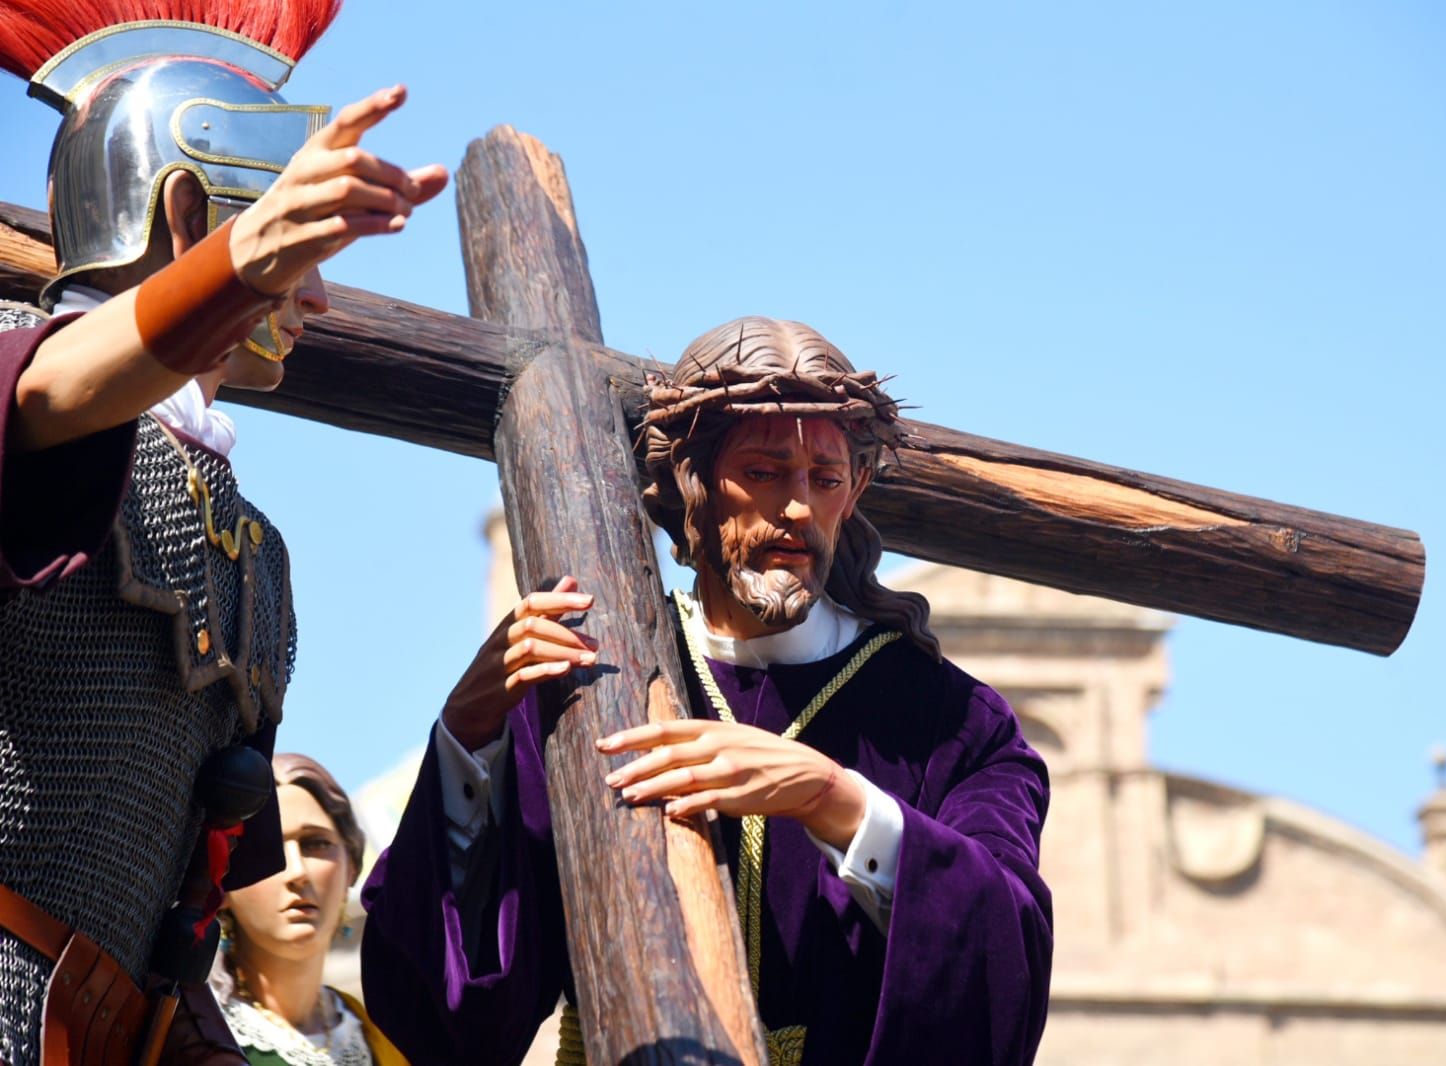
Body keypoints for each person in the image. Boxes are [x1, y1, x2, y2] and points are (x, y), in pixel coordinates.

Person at [361, 317, 1053, 1064]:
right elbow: (439, 1008)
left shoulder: (954, 723)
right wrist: (467, 738)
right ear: (690, 479)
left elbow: (1005, 968)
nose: (795, 508)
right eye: (761, 471)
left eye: (823, 479)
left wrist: (837, 800)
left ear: (852, 493)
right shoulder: (588, 684)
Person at [0, 3, 446, 1062]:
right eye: (299, 245)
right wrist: (247, 262)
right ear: (192, 218)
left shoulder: (262, 556)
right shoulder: (24, 377)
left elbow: (194, 900)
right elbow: (56, 389)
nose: (324, 299)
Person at [214, 754, 406, 1066]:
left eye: (316, 844)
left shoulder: (384, 1040)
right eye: (268, 850)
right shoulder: (186, 1024)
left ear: (352, 868)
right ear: (222, 881)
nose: (297, 872)